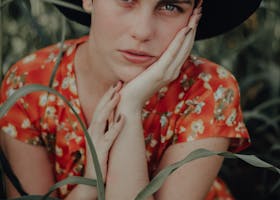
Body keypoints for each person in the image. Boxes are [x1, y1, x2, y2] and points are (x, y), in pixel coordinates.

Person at [0, 0, 262, 199]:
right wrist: (90, 183)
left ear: (195, 14)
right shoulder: (31, 84)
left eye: (170, 6)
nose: (142, 31)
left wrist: (130, 105)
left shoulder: (208, 90)